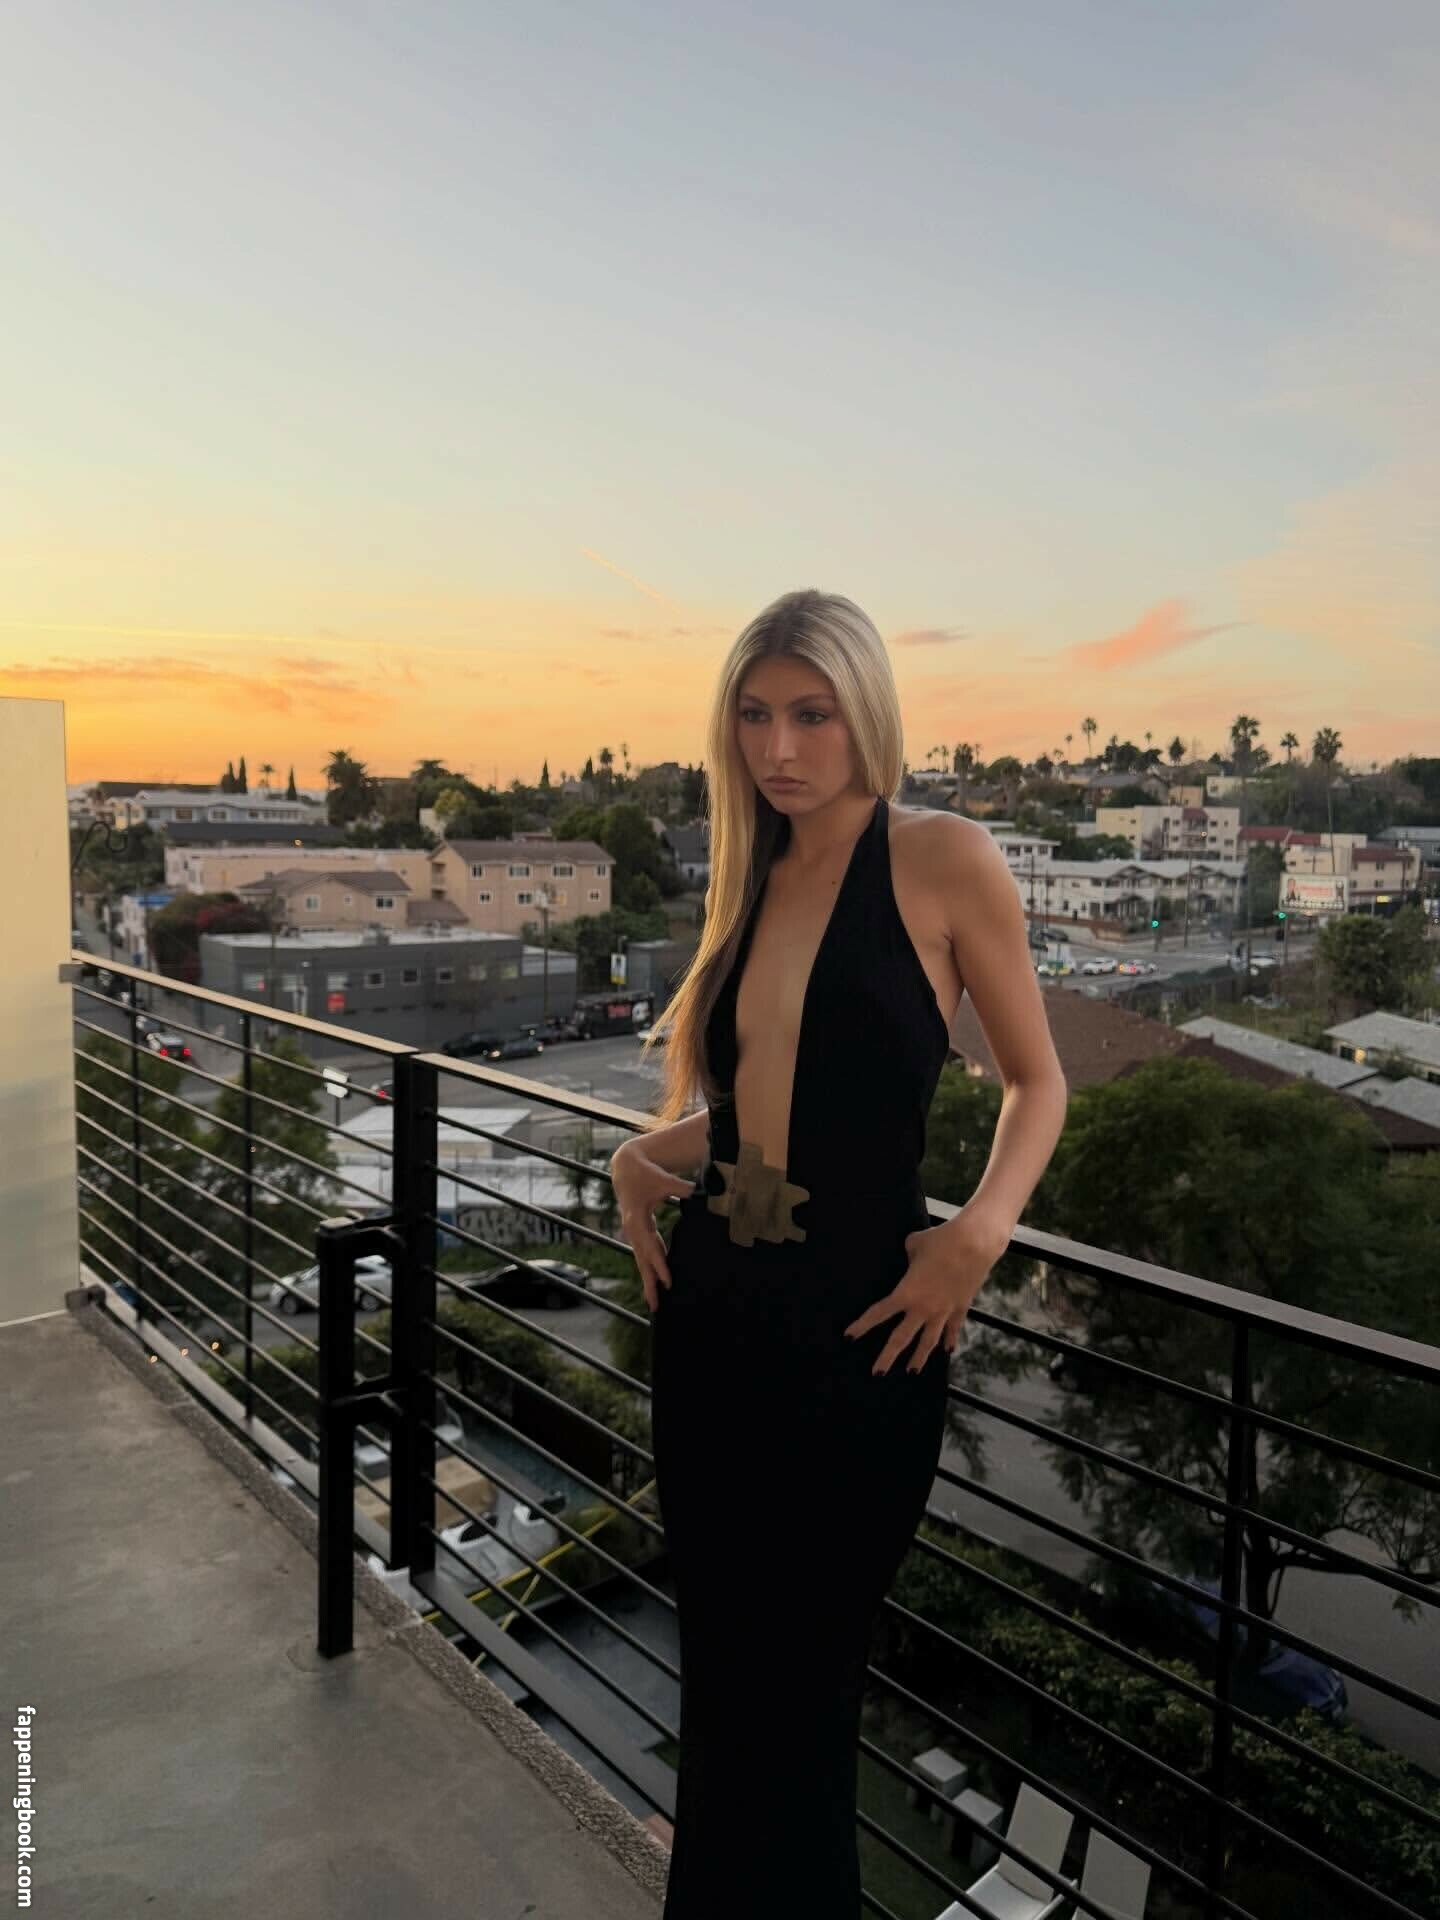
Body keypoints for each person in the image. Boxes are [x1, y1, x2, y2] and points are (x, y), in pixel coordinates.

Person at [610, 588, 1069, 1917]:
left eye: (812, 714)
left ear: (867, 709)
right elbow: (765, 1109)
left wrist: (975, 1237)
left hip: (865, 1330)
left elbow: (1038, 1085)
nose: (780, 748)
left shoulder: (943, 858)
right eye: (755, 716)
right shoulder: (754, 872)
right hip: (716, 1321)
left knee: (804, 1707)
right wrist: (645, 1157)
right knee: (726, 1691)